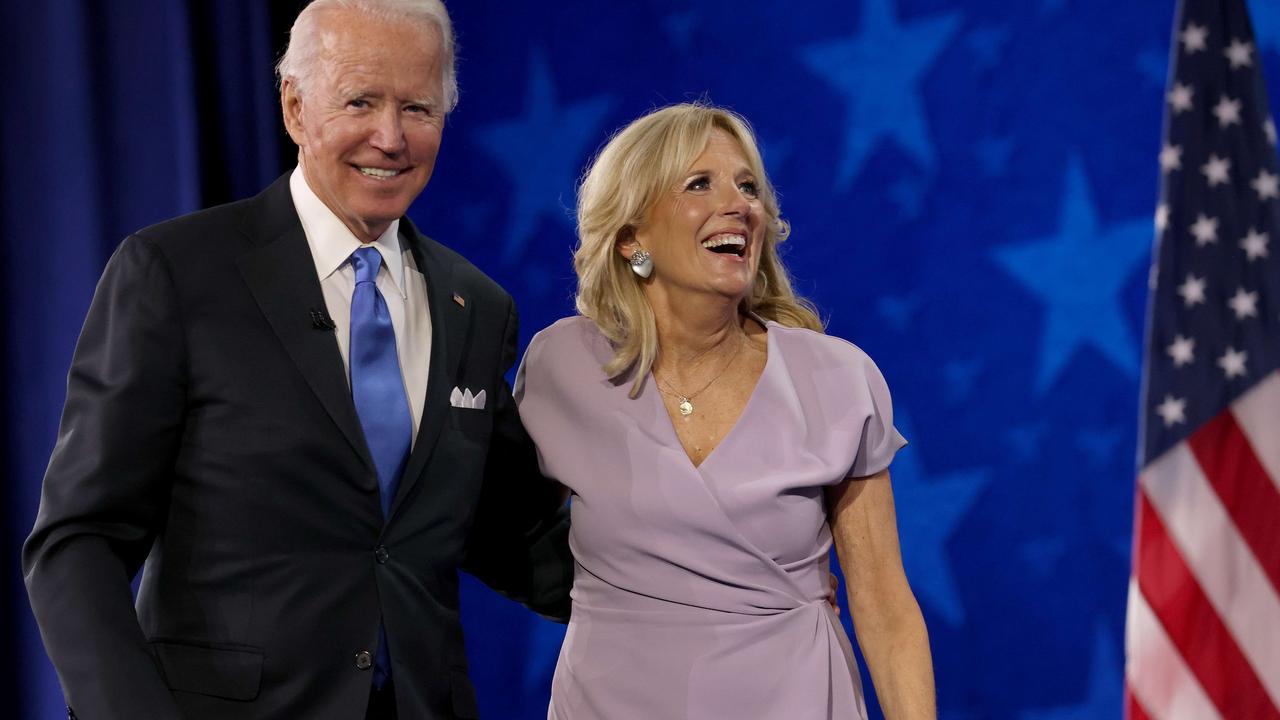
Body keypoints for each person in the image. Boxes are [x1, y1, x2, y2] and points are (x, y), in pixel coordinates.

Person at [21, 1, 571, 718]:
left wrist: (712, 584)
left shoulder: (476, 305)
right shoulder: (178, 275)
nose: (391, 137)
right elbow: (79, 541)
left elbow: (511, 533)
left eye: (418, 107)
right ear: (295, 109)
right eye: (360, 101)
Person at [515, 103, 936, 719]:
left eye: (748, 187)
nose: (739, 204)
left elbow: (884, 602)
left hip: (793, 698)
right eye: (699, 184)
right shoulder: (563, 366)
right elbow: (505, 536)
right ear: (632, 235)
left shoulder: (836, 378)